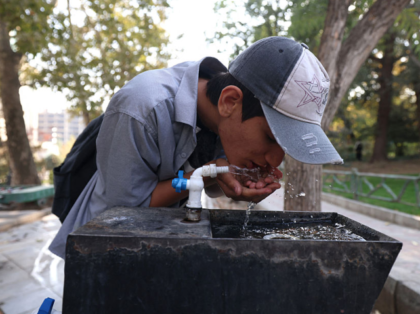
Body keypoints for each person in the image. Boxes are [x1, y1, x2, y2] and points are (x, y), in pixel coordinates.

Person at [49, 36, 343, 258]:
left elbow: (206, 173)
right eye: (270, 137)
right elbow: (124, 211)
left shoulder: (226, 118)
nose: (275, 160)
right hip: (103, 249)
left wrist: (223, 177)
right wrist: (206, 174)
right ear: (229, 101)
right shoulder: (141, 108)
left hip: (161, 241)